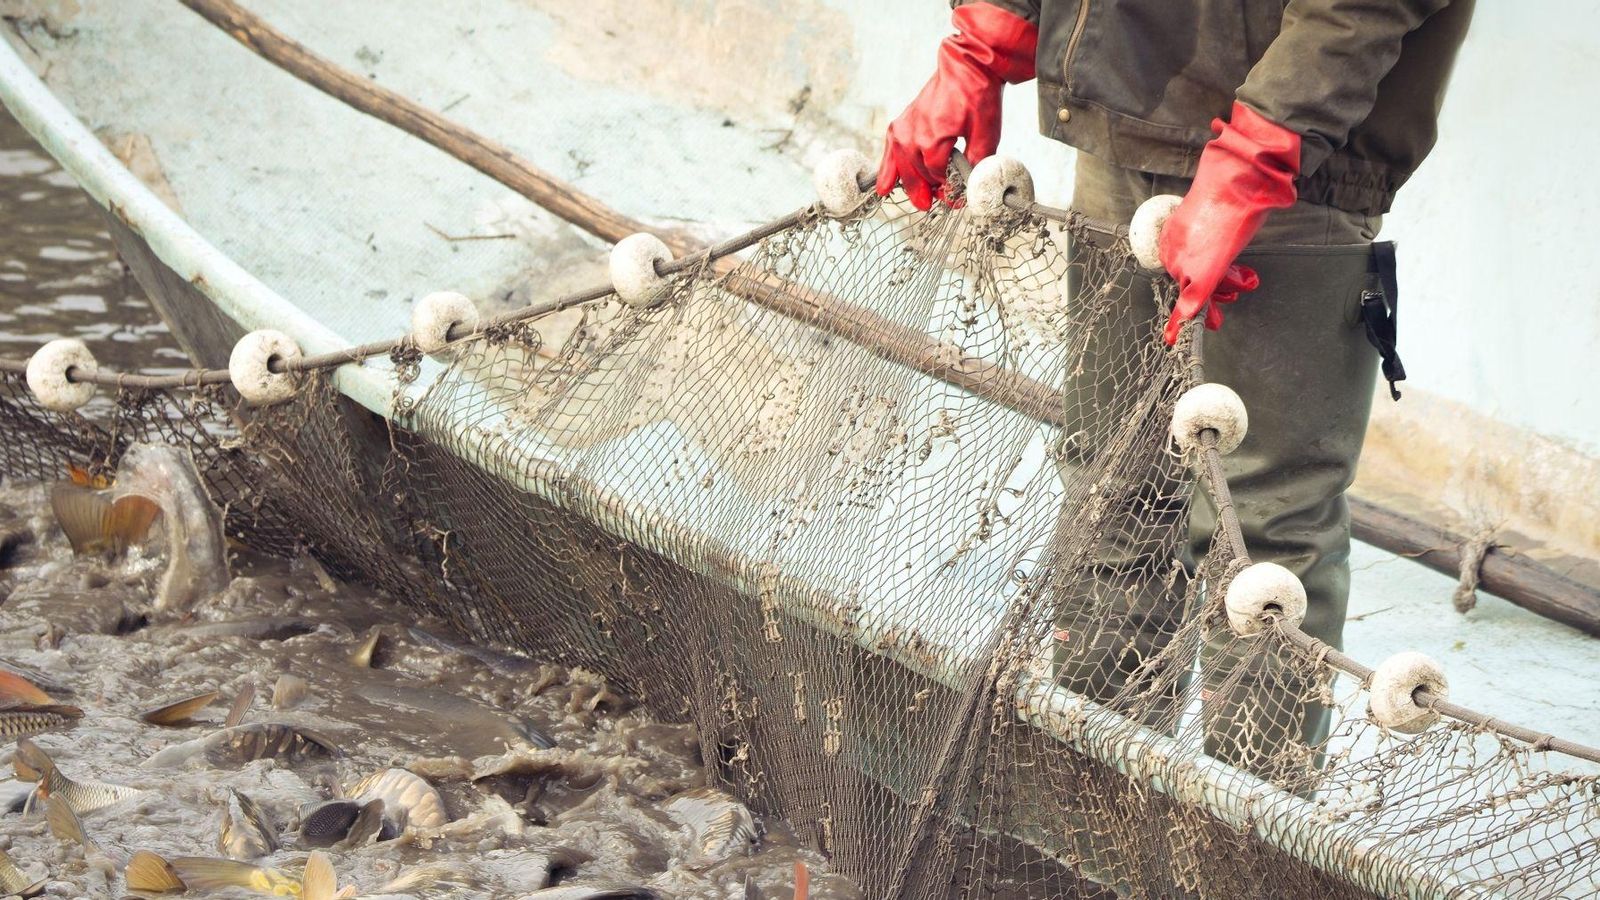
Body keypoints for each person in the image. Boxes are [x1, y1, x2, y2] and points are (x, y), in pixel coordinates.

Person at [877, 1, 1474, 779]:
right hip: (1125, 113)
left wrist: (1256, 156)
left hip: (1301, 167)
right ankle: (1094, 824)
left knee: (1265, 544)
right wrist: (984, 42)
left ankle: (1249, 848)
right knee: (1113, 493)